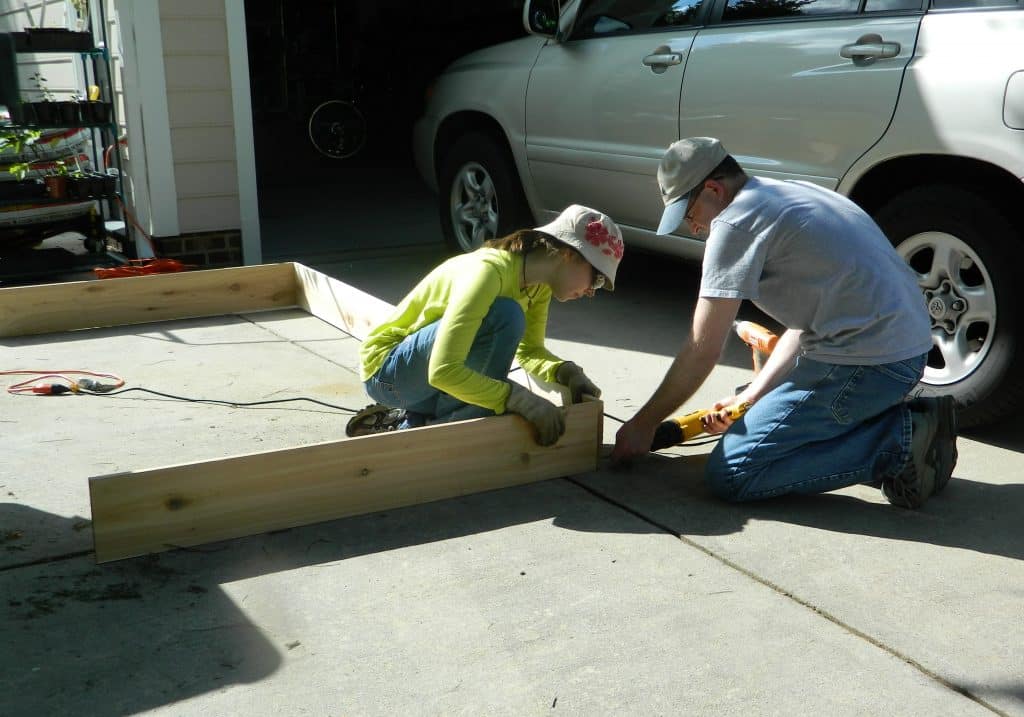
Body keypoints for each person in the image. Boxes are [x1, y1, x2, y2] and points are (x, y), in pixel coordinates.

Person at [610, 137, 957, 509]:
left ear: (713, 188)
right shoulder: (790, 193)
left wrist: (644, 423)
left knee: (734, 472)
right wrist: (751, 396)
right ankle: (884, 425)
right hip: (903, 351)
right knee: (765, 423)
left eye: (689, 214)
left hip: (869, 365)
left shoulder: (734, 224)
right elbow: (806, 323)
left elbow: (701, 349)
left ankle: (900, 442)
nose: (693, 228)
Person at [350, 204, 625, 446]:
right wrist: (518, 399)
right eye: (597, 279)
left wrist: (565, 372)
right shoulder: (489, 272)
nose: (591, 291)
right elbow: (443, 371)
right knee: (506, 316)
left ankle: (411, 423)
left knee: (502, 344)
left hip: (425, 382)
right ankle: (428, 432)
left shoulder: (538, 286)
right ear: (570, 255)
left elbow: (528, 352)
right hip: (388, 373)